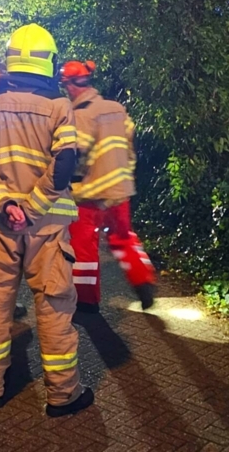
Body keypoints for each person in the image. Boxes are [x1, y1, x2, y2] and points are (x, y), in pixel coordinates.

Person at [0, 24, 94, 417]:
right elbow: (65, 164)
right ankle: (62, 395)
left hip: (1, 228)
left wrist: (7, 205)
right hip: (47, 229)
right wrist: (33, 208)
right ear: (47, 61)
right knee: (54, 308)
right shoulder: (59, 108)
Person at [60, 60, 156, 312]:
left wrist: (68, 183)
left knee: (84, 246)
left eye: (66, 85)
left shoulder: (81, 115)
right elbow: (130, 144)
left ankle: (87, 301)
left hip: (90, 195)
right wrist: (127, 173)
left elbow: (77, 154)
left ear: (71, 85)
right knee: (123, 237)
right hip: (120, 190)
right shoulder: (117, 108)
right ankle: (143, 281)